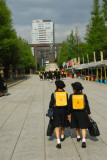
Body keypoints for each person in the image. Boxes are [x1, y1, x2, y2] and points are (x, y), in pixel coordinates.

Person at [68, 82, 91, 148]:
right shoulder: (84, 95)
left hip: (74, 113)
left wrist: (68, 114)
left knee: (77, 125)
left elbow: (69, 106)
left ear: (74, 89)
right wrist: (89, 113)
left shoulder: (71, 95)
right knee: (83, 127)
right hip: (83, 112)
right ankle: (83, 140)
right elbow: (87, 105)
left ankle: (78, 136)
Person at [49, 80, 69, 149]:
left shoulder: (54, 94)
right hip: (64, 111)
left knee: (56, 126)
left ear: (56, 86)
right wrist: (68, 113)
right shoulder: (65, 94)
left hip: (56, 111)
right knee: (63, 124)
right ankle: (62, 136)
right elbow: (67, 104)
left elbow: (51, 104)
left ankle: (58, 142)